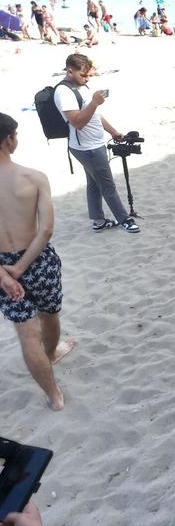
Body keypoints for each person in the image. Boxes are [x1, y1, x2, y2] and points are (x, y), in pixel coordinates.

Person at [0, 113, 75, 411]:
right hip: (36, 259)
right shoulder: (33, 177)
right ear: (9, 139)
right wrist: (20, 268)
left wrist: (6, 275)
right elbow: (45, 229)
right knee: (49, 314)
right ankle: (53, 351)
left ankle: (54, 396)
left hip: (2, 268)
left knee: (26, 333)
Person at [54, 54, 140, 234]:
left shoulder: (82, 86)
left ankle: (98, 221)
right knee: (107, 186)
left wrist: (113, 132)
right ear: (70, 71)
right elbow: (77, 122)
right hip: (87, 148)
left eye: (89, 75)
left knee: (94, 183)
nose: (86, 79)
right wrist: (94, 102)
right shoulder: (64, 92)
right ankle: (124, 220)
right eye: (82, 75)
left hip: (94, 145)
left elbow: (95, 116)